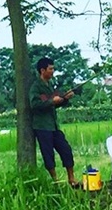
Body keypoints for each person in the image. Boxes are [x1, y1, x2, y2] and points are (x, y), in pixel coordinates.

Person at [30, 56, 79, 187]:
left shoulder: (50, 85)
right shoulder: (36, 86)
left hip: (54, 126)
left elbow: (53, 103)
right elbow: (35, 104)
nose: (53, 71)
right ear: (42, 70)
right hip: (42, 126)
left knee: (66, 150)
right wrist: (52, 101)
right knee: (48, 155)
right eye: (50, 69)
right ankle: (56, 181)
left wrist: (65, 99)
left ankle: (71, 179)